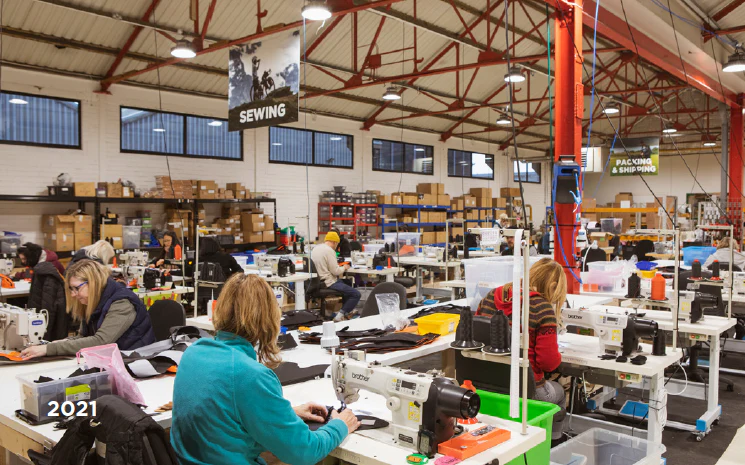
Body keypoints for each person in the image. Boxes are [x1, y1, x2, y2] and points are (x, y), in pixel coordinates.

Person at [171, 273, 360, 465]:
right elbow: (305, 452)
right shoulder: (250, 375)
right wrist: (341, 425)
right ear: (269, 317)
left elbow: (222, 414)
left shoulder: (193, 353)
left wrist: (285, 414)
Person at [475, 257, 567, 443]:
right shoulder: (542, 308)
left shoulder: (491, 296)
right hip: (526, 391)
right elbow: (548, 363)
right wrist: (557, 355)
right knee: (559, 392)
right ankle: (553, 443)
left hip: (487, 385)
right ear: (553, 286)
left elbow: (477, 334)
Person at [20, 260, 156, 359]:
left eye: (76, 288)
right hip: (113, 359)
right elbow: (84, 337)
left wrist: (49, 349)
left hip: (136, 361)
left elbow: (101, 341)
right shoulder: (94, 301)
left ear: (93, 283)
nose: (73, 295)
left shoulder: (121, 303)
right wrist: (62, 342)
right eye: (71, 289)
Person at [23, 243, 69, 341]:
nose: (23, 262)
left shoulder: (48, 267)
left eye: (24, 259)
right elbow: (27, 273)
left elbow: (49, 304)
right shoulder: (40, 266)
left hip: (52, 313)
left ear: (31, 257)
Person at [311, 231, 361, 322]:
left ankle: (345, 312)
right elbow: (336, 271)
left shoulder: (316, 248)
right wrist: (344, 267)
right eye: (337, 244)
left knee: (348, 283)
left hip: (317, 281)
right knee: (356, 294)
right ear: (334, 242)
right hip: (328, 282)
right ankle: (340, 316)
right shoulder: (329, 251)